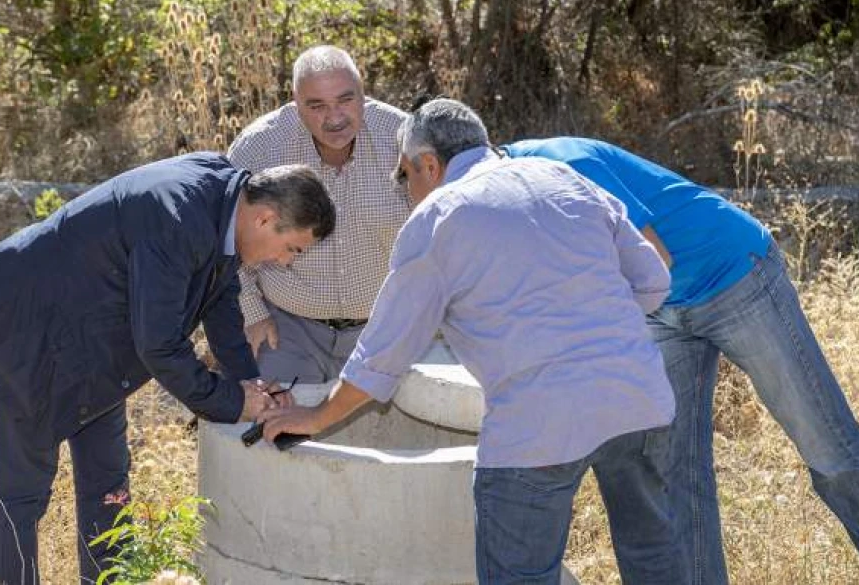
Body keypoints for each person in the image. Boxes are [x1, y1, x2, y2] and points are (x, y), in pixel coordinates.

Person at [260, 99, 685, 585]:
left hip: (536, 427)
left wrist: (314, 417)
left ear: (429, 165)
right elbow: (653, 281)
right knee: (655, 557)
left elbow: (380, 360)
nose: (408, 193)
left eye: (405, 177)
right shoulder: (563, 178)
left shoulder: (438, 217)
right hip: (640, 399)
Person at [500, 136, 859, 584]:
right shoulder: (506, 202)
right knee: (674, 472)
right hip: (661, 311)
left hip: (735, 276)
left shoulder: (565, 163)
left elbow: (652, 258)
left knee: (824, 440)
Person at [0, 153, 335, 585]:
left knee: (108, 484)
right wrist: (232, 402)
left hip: (94, 339)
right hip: (32, 325)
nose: (286, 262)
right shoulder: (177, 219)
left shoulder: (227, 198)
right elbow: (159, 346)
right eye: (293, 249)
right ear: (266, 219)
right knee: (21, 494)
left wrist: (248, 381)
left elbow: (219, 296)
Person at [227, 45, 409, 383]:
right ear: (296, 103)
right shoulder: (259, 148)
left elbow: (445, 231)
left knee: (384, 432)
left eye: (345, 100)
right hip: (287, 327)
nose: (335, 117)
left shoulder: (404, 139)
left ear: (362, 92)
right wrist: (252, 312)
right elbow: (227, 236)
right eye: (317, 106)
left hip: (385, 329)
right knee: (272, 424)